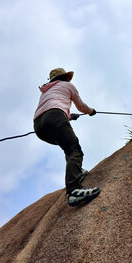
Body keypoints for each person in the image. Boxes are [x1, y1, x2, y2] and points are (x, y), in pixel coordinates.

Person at [33, 67, 100, 206]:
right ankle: (74, 190)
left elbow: (51, 105)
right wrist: (91, 111)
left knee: (67, 146)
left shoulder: (46, 91)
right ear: (65, 77)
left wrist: (68, 116)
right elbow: (81, 106)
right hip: (55, 117)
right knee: (73, 149)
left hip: (38, 125)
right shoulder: (67, 85)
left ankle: (76, 171)